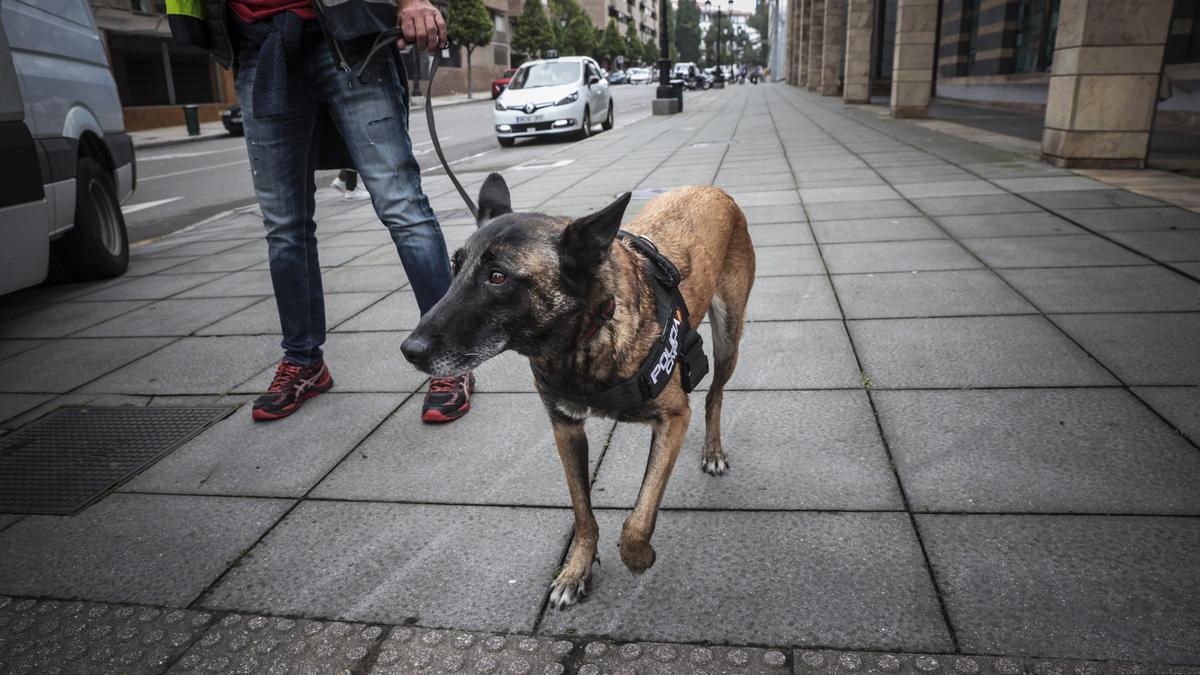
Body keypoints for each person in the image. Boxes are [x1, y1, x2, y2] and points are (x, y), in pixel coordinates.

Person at [167, 0, 476, 423]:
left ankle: (449, 356)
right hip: (258, 47)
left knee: (403, 207)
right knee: (283, 226)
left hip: (347, 40)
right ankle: (303, 362)